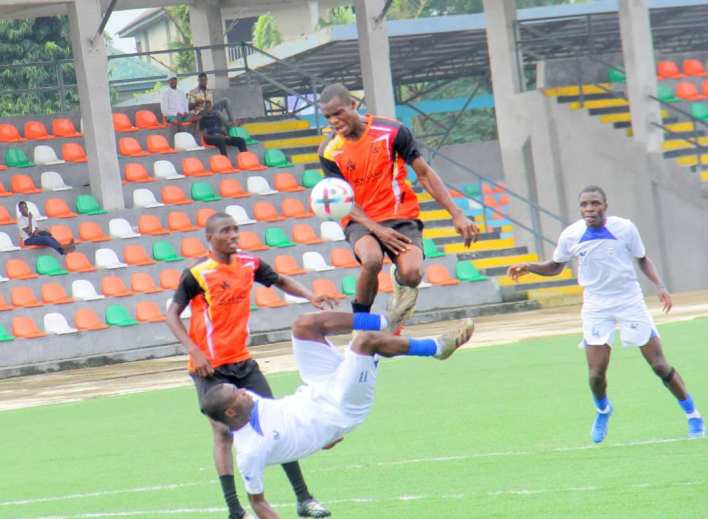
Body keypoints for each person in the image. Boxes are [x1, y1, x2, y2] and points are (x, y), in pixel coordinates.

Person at [200, 309, 476, 519]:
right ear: (231, 410)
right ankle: (438, 348)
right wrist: (326, 436)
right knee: (366, 343)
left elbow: (287, 430)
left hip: (316, 389)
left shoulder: (247, 404)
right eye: (237, 393)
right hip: (340, 409)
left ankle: (384, 320)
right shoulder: (249, 452)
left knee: (304, 325)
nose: (244, 391)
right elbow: (258, 501)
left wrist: (322, 440)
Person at [165, 213, 335, 519]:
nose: (233, 235)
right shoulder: (197, 274)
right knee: (222, 433)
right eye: (225, 231)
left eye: (235, 229)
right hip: (210, 368)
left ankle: (304, 499)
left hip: (243, 361)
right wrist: (195, 351)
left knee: (277, 423)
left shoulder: (249, 263)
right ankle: (234, 509)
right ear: (210, 239)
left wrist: (311, 295)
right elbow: (172, 315)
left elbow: (280, 281)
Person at [506, 185, 704, 443]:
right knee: (596, 373)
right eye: (585, 205)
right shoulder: (571, 235)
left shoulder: (625, 228)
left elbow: (642, 258)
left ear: (605, 205)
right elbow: (555, 266)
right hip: (596, 306)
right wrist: (529, 266)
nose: (589, 209)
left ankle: (693, 416)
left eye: (595, 203)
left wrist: (660, 286)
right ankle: (603, 410)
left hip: (629, 301)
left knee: (659, 365)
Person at [318, 83, 479, 327]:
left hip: (400, 214)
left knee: (412, 275)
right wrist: (377, 228)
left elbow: (424, 174)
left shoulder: (392, 131)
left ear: (353, 105)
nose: (334, 120)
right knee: (371, 260)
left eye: (338, 112)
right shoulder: (329, 150)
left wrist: (456, 214)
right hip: (360, 219)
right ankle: (361, 324)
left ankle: (399, 284)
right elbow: (342, 199)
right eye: (328, 116)